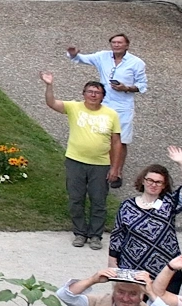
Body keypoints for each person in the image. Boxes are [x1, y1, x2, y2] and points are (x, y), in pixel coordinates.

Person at [42, 70, 125, 250]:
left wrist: (115, 168)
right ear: (84, 94)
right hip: (75, 161)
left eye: (97, 93)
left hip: (100, 164)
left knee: (98, 201)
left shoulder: (111, 114)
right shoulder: (74, 107)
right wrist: (49, 85)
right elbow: (51, 103)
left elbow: (117, 143)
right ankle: (80, 233)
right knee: (76, 198)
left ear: (103, 96)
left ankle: (95, 235)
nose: (93, 95)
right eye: (90, 92)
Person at [109, 146, 182, 291]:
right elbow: (117, 237)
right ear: (143, 181)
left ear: (164, 186)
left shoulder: (169, 203)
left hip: (166, 271)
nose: (153, 184)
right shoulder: (127, 206)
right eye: (150, 180)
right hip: (133, 270)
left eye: (158, 182)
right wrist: (113, 267)